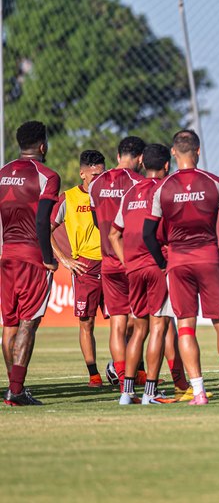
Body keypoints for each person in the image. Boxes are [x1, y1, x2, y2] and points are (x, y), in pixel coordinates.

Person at [143, 129, 219, 405]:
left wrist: (163, 263)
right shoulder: (215, 183)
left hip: (178, 262)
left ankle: (199, 392)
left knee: (186, 328)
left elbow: (147, 234)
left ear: (174, 153)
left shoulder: (163, 188)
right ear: (199, 152)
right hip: (209, 258)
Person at [0, 121, 61, 406]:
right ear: (42, 146)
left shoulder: (2, 173)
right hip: (32, 256)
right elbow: (42, 221)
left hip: (6, 255)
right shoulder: (47, 176)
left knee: (9, 324)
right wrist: (48, 259)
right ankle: (16, 389)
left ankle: (14, 388)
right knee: (28, 322)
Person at [110, 143, 176, 404]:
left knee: (139, 330)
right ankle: (150, 393)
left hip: (134, 268)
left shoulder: (130, 193)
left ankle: (127, 393)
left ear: (144, 163)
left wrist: (127, 262)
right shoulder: (167, 190)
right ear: (167, 165)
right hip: (158, 265)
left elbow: (114, 233)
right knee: (158, 327)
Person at [89, 137, 145, 389]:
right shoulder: (139, 183)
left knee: (118, 322)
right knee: (139, 320)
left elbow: (95, 219)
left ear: (117, 154)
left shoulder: (96, 183)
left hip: (107, 261)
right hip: (131, 259)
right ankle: (129, 375)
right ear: (141, 158)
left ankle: (124, 376)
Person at [50, 150, 107, 387]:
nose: (98, 179)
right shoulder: (69, 198)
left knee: (126, 321)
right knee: (86, 322)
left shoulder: (109, 195)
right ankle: (94, 375)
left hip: (112, 263)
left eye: (101, 174)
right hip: (85, 266)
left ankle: (134, 372)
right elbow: (45, 230)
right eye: (93, 175)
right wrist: (63, 259)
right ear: (82, 173)